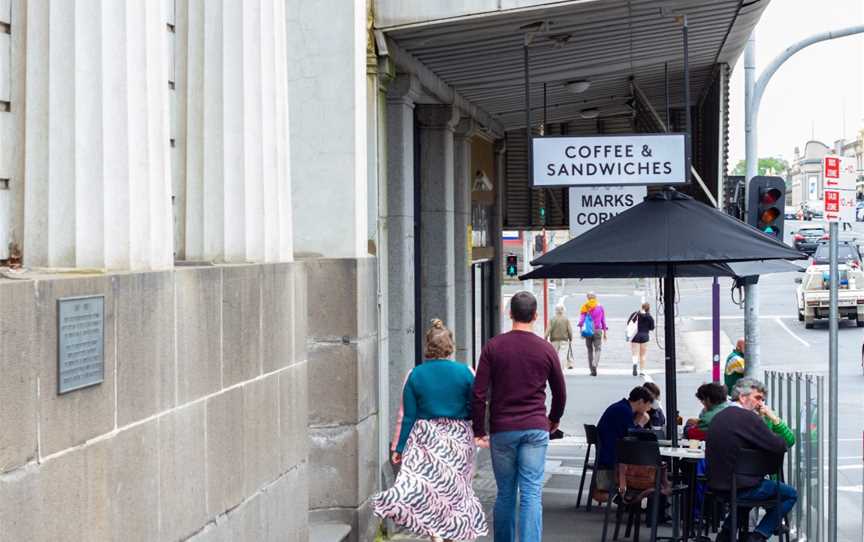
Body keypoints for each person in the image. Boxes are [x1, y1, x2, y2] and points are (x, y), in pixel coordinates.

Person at [373, 319, 488, 542]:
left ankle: (435, 533)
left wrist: (399, 447)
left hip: (426, 438)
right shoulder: (466, 373)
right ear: (450, 345)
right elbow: (476, 405)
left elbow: (407, 416)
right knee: (456, 489)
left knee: (430, 489)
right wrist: (478, 432)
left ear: (428, 346)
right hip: (458, 438)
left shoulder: (414, 375)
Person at [472, 291, 566, 542]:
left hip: (503, 429)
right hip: (535, 427)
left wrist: (479, 430)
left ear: (510, 313)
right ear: (535, 316)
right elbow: (560, 391)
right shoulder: (545, 349)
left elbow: (478, 393)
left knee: (505, 493)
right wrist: (553, 419)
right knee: (531, 493)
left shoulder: (493, 347)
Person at [706, 378, 797, 542]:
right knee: (790, 494)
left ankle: (725, 534)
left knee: (743, 495)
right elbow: (780, 444)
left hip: (716, 485)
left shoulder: (719, 416)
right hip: (741, 487)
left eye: (762, 399)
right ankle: (759, 535)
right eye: (757, 398)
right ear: (742, 397)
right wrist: (772, 419)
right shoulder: (748, 418)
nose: (760, 403)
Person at [594, 386, 655, 492]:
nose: (649, 409)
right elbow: (632, 439)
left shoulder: (621, 407)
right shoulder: (624, 411)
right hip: (612, 457)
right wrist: (641, 423)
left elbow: (626, 432)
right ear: (640, 401)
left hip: (607, 453)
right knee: (654, 467)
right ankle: (640, 497)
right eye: (648, 405)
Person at [578, 292, 608, 376]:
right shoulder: (600, 307)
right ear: (595, 298)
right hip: (598, 330)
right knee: (598, 349)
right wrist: (605, 332)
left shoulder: (585, 307)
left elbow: (581, 320)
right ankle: (595, 363)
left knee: (589, 350)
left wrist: (581, 330)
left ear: (588, 298)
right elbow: (603, 321)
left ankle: (592, 370)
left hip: (588, 331)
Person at [628, 303, 655, 376]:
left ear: (641, 307)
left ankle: (634, 364)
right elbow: (652, 328)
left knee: (635, 353)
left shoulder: (635, 314)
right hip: (644, 336)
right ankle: (642, 371)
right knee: (642, 355)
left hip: (635, 336)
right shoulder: (649, 317)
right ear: (648, 309)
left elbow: (629, 323)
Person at [545, 305, 574, 370]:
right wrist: (571, 338)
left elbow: (548, 329)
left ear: (555, 311)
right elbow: (570, 330)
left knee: (554, 355)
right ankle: (560, 369)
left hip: (554, 340)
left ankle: (555, 368)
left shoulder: (552, 319)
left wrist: (545, 337)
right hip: (564, 340)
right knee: (562, 354)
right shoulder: (566, 320)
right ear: (563, 311)